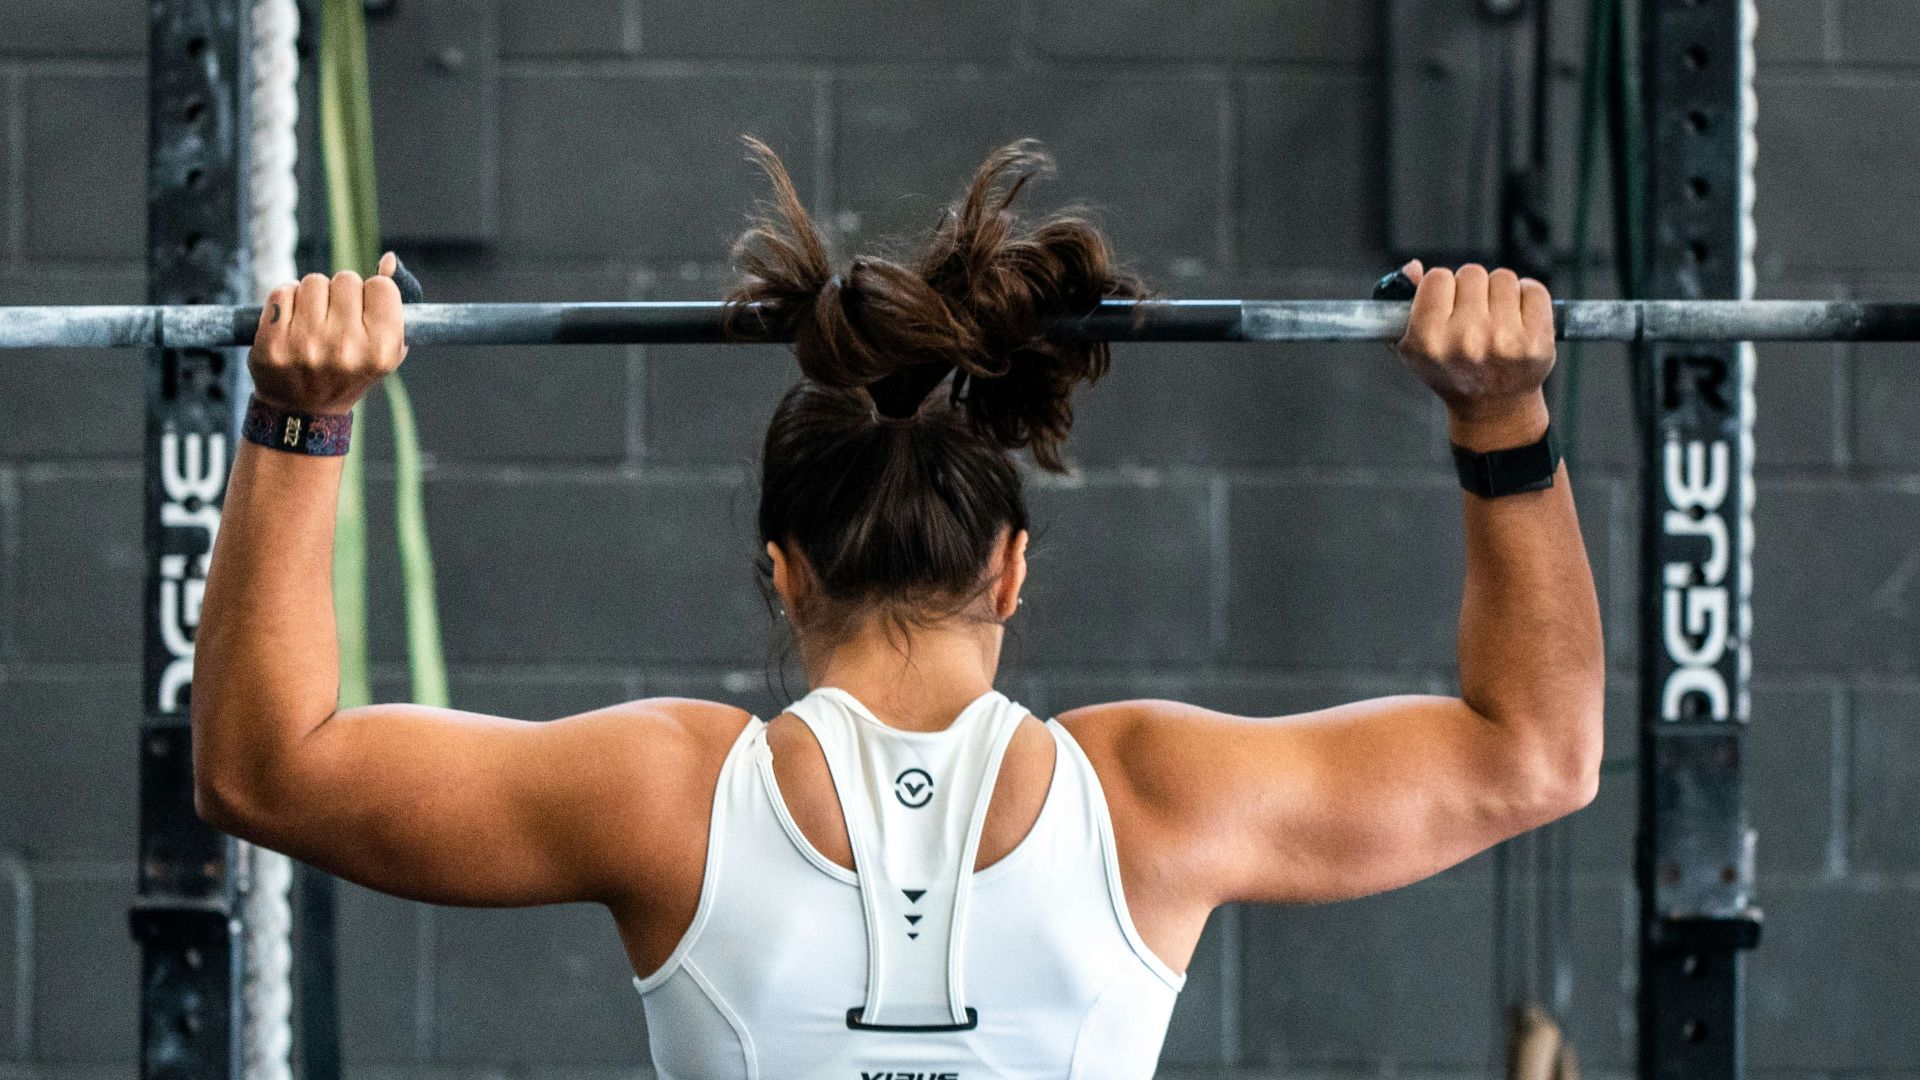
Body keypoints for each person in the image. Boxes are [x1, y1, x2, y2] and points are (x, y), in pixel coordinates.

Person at [192, 139, 1603, 1079]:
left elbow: (266, 767)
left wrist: (301, 418)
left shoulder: (666, 795)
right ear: (1013, 567)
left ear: (780, 567)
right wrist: (1505, 415)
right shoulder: (1153, 799)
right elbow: (1535, 752)